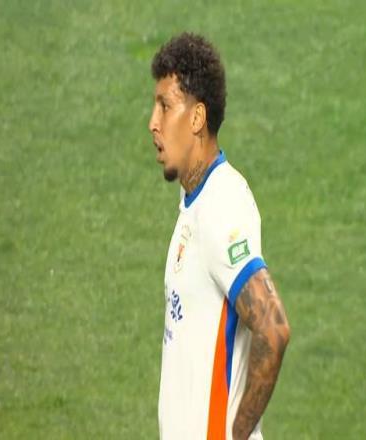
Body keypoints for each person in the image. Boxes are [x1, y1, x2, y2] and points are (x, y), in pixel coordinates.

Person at [148, 32, 290, 440]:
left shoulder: (220, 206)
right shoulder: (196, 201)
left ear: (197, 118)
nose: (153, 122)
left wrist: (238, 433)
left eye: (165, 106)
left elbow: (274, 329)